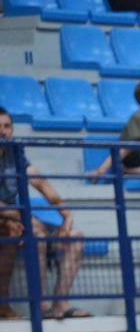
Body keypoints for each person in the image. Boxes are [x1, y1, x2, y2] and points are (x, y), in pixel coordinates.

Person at [0, 108, 88, 319]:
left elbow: (42, 184)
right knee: (36, 232)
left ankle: (61, 304)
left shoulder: (15, 152)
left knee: (75, 237)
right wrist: (13, 216)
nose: (2, 132)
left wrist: (67, 216)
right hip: (10, 218)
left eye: (6, 126)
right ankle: (41, 307)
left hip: (14, 217)